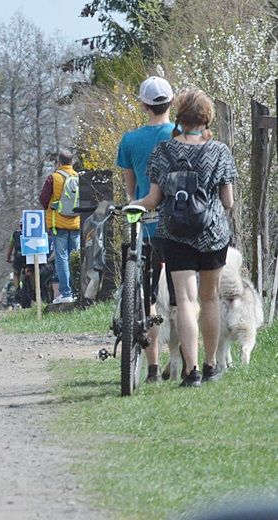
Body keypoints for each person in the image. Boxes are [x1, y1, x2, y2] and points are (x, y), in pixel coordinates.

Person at [133, 88, 236, 388]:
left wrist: (132, 206)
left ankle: (191, 372)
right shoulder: (219, 152)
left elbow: (152, 199)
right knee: (209, 298)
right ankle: (211, 364)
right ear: (207, 118)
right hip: (213, 234)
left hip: (175, 235)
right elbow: (227, 202)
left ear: (180, 116)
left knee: (187, 302)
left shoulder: (163, 152)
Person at [117, 75, 176, 383]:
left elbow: (131, 189)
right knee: (181, 295)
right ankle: (183, 361)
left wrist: (134, 202)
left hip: (144, 223)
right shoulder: (179, 135)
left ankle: (152, 367)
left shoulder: (129, 140)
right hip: (177, 224)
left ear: (143, 105)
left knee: (147, 296)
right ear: (172, 102)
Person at [39, 150, 80, 304]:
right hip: (76, 223)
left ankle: (66, 292)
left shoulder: (53, 178)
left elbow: (43, 200)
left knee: (61, 258)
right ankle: (77, 292)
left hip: (58, 224)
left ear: (59, 162)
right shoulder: (78, 177)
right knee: (75, 258)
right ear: (72, 162)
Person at [6, 222, 26, 294]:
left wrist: (8, 258)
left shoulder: (15, 234)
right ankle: (33, 289)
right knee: (31, 271)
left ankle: (17, 289)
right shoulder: (32, 233)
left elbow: (10, 247)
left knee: (16, 273)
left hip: (18, 256)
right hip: (29, 257)